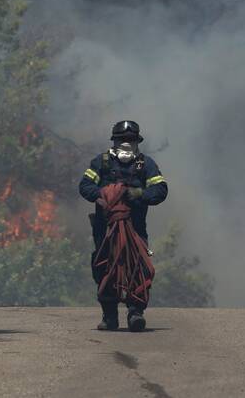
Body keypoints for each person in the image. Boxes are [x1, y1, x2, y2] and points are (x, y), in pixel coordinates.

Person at [79, 120, 168, 332]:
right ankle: (109, 316)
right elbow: (85, 186)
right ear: (115, 141)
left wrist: (140, 194)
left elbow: (161, 190)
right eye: (122, 140)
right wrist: (102, 195)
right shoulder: (101, 163)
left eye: (130, 140)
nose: (126, 143)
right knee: (103, 268)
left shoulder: (146, 165)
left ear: (137, 142)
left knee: (138, 268)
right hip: (105, 229)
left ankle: (135, 312)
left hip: (135, 228)